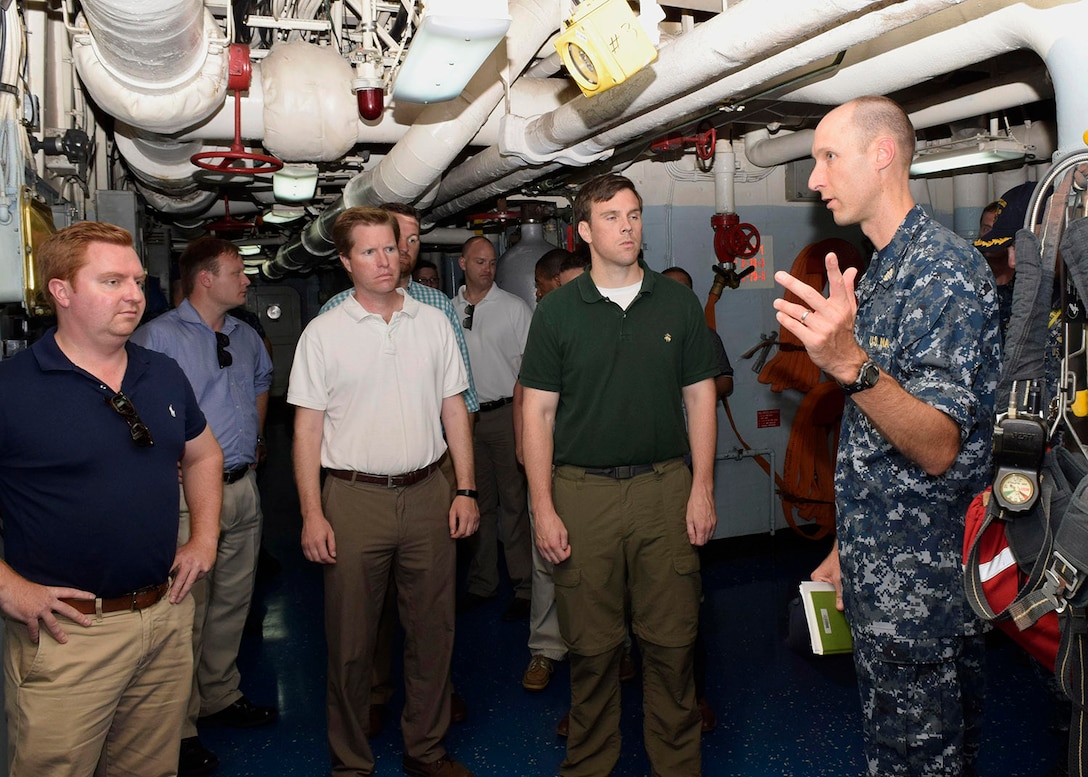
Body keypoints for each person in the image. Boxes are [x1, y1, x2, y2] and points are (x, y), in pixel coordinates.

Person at [773, 95, 1000, 776]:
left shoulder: (946, 272)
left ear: (882, 155)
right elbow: (880, 442)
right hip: (884, 576)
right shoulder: (880, 272)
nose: (815, 178)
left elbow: (937, 445)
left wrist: (848, 362)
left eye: (827, 157)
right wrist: (851, 543)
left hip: (925, 599)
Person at [0, 221, 222, 776]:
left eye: (137, 280)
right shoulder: (13, 388)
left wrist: (204, 538)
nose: (134, 294)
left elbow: (204, 456)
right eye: (112, 280)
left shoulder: (162, 373)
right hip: (68, 635)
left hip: (165, 617)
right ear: (62, 291)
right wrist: (11, 590)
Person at [520, 173, 719, 776]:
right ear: (583, 232)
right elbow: (537, 412)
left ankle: (677, 766)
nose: (626, 226)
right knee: (592, 648)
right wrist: (542, 506)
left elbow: (701, 397)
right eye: (610, 217)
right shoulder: (557, 313)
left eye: (633, 214)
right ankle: (588, 766)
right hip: (582, 494)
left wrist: (702, 487)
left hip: (664, 489)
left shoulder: (676, 302)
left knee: (672, 643)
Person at [289, 207, 479, 777]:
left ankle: (426, 749)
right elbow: (307, 429)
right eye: (368, 252)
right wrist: (311, 513)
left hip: (428, 493)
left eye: (390, 249)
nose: (383, 261)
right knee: (350, 644)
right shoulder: (323, 333)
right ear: (345, 261)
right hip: (353, 499)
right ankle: (351, 762)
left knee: (433, 631)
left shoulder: (433, 323)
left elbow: (454, 409)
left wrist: (465, 488)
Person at [131, 236, 277, 776]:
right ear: (205, 279)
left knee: (232, 604)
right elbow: (130, 407)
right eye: (238, 272)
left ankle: (219, 694)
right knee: (185, 611)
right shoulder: (156, 339)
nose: (246, 280)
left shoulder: (245, 335)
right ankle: (182, 724)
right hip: (185, 496)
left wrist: (254, 435)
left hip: (241, 486)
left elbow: (261, 382)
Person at [660, 263, 734, 734]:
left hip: (687, 467)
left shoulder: (701, 334)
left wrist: (695, 390)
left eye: (687, 291)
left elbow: (722, 381)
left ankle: (695, 696)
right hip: (651, 469)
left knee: (686, 594)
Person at [452, 236, 534, 621]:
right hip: (465, 419)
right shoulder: (447, 310)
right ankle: (482, 582)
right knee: (476, 504)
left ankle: (524, 585)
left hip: (505, 415)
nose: (487, 268)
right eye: (480, 262)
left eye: (492, 262)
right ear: (462, 263)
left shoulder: (515, 309)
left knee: (514, 503)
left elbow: (533, 371)